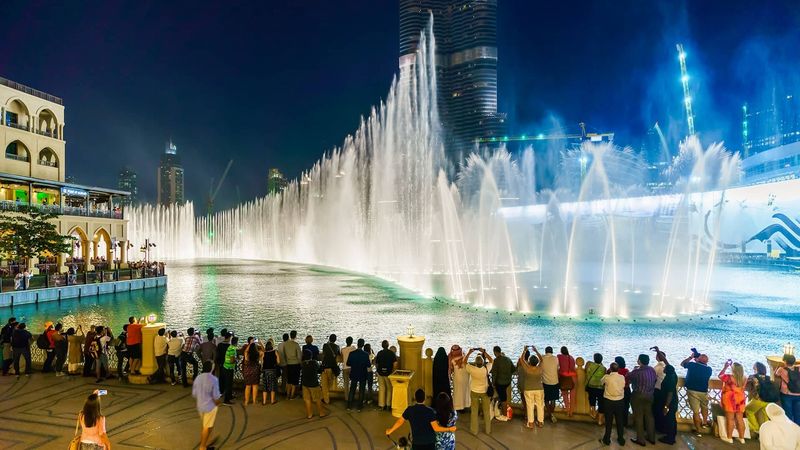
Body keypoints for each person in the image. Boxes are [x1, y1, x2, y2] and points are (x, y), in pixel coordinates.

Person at [385, 389, 456, 450]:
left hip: (417, 442)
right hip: (430, 442)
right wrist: (450, 429)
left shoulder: (410, 410)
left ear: (415, 398)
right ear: (424, 398)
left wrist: (390, 431)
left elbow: (400, 421)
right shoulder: (430, 411)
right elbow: (436, 428)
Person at [626, 353, 657, 446]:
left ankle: (640, 439)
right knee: (649, 416)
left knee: (638, 417)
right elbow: (655, 380)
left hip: (638, 395)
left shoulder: (637, 372)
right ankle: (651, 438)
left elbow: (627, 377)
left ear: (639, 361)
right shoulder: (652, 370)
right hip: (650, 395)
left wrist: (634, 369)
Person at [463, 347, 494, 435]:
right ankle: (488, 430)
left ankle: (474, 430)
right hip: (485, 392)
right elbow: (491, 360)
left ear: (475, 363)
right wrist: (484, 352)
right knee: (486, 411)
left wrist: (469, 353)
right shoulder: (486, 369)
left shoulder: (472, 369)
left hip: (474, 391)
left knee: (474, 411)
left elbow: (464, 362)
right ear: (483, 362)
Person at [192, 361, 222, 450]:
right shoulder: (213, 379)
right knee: (207, 427)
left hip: (200, 406)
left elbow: (194, 393)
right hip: (210, 407)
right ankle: (203, 446)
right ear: (212, 368)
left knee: (207, 425)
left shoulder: (198, 378)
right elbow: (216, 396)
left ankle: (207, 441)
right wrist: (218, 403)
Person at [718, 360, 747, 443]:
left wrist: (725, 367)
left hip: (730, 399)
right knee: (740, 419)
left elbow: (720, 376)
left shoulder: (728, 377)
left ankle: (729, 438)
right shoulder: (744, 378)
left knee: (730, 419)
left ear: (733, 370)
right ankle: (742, 438)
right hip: (740, 399)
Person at [600, 362, 626, 446]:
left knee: (608, 421)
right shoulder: (622, 377)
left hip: (608, 401)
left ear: (610, 369)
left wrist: (607, 373)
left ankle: (607, 439)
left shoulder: (607, 377)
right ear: (618, 369)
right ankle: (621, 439)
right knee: (620, 420)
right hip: (619, 401)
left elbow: (601, 382)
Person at [746, 362, 777, 433]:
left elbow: (746, 383)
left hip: (759, 399)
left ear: (756, 368)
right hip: (769, 400)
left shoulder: (753, 377)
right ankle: (766, 431)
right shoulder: (768, 377)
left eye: (754, 367)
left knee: (748, 410)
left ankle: (755, 429)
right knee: (764, 415)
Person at [519, 346, 545, 428]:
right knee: (540, 406)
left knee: (530, 406)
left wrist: (524, 350)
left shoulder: (527, 368)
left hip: (528, 389)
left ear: (529, 362)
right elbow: (542, 360)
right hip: (539, 389)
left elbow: (521, 359)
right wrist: (536, 351)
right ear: (537, 362)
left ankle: (531, 423)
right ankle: (540, 422)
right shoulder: (540, 368)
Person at [301, 349, 327, 419]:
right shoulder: (314, 362)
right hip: (314, 384)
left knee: (307, 399)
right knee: (318, 399)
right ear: (311, 356)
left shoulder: (302, 364)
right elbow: (319, 370)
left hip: (305, 384)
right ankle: (321, 413)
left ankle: (309, 415)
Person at [775, 354, 800, 426]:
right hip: (798, 394)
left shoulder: (781, 369)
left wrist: (778, 366)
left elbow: (776, 374)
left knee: (788, 414)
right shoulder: (798, 368)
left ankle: (788, 429)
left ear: (785, 361)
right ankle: (797, 429)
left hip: (787, 394)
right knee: (798, 414)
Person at [346, 338, 371, 411]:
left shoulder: (352, 353)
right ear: (363, 345)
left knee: (352, 389)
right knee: (361, 390)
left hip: (354, 373)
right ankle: (359, 407)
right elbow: (368, 365)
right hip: (363, 373)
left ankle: (349, 406)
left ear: (357, 344)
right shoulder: (365, 354)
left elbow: (348, 363)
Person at [490, 346, 514, 420]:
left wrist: (493, 384)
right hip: (507, 382)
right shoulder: (508, 359)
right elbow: (513, 369)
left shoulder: (496, 360)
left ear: (495, 352)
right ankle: (501, 412)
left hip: (500, 383)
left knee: (503, 399)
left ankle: (504, 415)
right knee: (503, 397)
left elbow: (494, 373)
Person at [375, 339, 398, 411]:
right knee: (389, 389)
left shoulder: (379, 353)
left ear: (382, 346)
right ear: (388, 345)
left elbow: (376, 363)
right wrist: (393, 371)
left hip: (380, 373)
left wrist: (378, 370)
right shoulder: (391, 353)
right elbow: (395, 364)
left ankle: (381, 405)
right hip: (389, 373)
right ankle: (388, 405)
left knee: (382, 388)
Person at [659, 364, 679, 445]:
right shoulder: (673, 376)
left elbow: (669, 393)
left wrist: (666, 406)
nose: (663, 368)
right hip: (674, 401)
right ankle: (672, 435)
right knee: (672, 419)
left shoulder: (669, 379)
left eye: (665, 368)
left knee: (669, 419)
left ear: (667, 370)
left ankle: (670, 438)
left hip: (670, 403)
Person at [585, 353, 606, 424]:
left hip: (591, 386)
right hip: (600, 388)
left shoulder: (590, 365)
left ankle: (593, 413)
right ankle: (600, 420)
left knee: (592, 400)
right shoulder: (603, 368)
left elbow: (586, 370)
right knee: (601, 403)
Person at [540, 346, 560, 423]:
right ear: (552, 351)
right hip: (555, 382)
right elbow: (558, 368)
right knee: (553, 400)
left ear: (545, 351)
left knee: (546, 399)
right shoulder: (556, 358)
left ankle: (550, 414)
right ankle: (551, 414)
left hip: (546, 382)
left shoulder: (542, 358)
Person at [448, 345, 470, 412]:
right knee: (465, 391)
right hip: (465, 376)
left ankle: (459, 407)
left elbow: (450, 369)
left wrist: (449, 377)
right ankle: (466, 405)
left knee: (458, 392)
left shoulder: (451, 357)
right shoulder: (463, 355)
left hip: (457, 377)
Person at [651, 348, 669, 434]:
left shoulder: (658, 367)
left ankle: (658, 427)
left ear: (657, 357)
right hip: (665, 390)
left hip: (658, 390)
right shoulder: (667, 366)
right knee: (662, 409)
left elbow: (652, 378)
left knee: (657, 409)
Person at [320, 334, 341, 404]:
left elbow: (324, 353)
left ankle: (326, 399)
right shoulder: (337, 347)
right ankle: (326, 398)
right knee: (330, 383)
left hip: (325, 366)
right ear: (335, 340)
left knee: (324, 384)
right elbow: (339, 355)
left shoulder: (325, 345)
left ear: (329, 339)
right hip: (332, 367)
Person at [557, 346, 577, 417]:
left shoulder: (559, 356)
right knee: (572, 396)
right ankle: (571, 412)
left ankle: (567, 410)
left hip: (564, 377)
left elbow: (558, 366)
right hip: (573, 377)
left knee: (565, 394)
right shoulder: (571, 357)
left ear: (561, 351)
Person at [284, 331, 303, 400]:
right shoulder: (296, 345)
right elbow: (299, 356)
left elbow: (284, 354)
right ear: (295, 336)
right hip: (295, 364)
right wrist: (301, 364)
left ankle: (287, 395)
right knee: (294, 381)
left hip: (288, 364)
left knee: (289, 381)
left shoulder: (285, 344)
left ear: (290, 335)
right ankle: (292, 396)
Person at [242, 339, 262, 406]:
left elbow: (245, 351)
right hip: (255, 371)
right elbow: (264, 351)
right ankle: (254, 401)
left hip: (247, 371)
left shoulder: (247, 355)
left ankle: (246, 401)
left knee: (248, 386)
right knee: (255, 386)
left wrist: (250, 344)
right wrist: (261, 343)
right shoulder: (258, 354)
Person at [261, 339, 280, 405]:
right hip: (272, 370)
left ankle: (264, 401)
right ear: (272, 346)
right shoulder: (275, 352)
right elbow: (278, 362)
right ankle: (272, 401)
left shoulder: (264, 353)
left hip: (265, 371)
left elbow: (262, 363)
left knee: (265, 386)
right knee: (272, 386)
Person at [615, 356, 632, 427]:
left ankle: (618, 422)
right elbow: (629, 381)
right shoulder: (626, 371)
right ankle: (625, 423)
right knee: (626, 406)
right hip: (626, 390)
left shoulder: (614, 371)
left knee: (618, 407)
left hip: (618, 390)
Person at [221, 336, 238, 405]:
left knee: (229, 383)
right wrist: (236, 360)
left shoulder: (230, 347)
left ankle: (230, 396)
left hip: (226, 367)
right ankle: (226, 400)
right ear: (236, 342)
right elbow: (231, 361)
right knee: (228, 384)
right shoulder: (233, 349)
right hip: (229, 368)